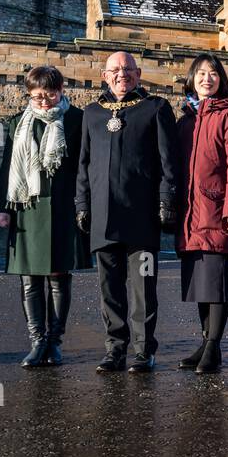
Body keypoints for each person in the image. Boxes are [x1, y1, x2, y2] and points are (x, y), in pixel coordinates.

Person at [75, 52, 177, 374]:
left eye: (128, 69)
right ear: (105, 76)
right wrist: (82, 204)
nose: (122, 74)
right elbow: (83, 165)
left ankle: (143, 351)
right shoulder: (91, 113)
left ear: (139, 73)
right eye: (116, 70)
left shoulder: (156, 108)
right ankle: (114, 349)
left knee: (142, 287)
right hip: (103, 218)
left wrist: (166, 202)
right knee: (110, 290)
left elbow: (168, 164)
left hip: (141, 217)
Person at [0, 65, 87, 368]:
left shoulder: (76, 120)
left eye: (50, 95)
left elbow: (85, 168)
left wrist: (84, 205)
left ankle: (55, 342)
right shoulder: (17, 124)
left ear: (61, 91)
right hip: (26, 206)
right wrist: (2, 208)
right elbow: (8, 166)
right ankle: (37, 342)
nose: (44, 102)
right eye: (37, 97)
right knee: (30, 280)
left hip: (63, 208)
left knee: (59, 278)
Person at [174, 54, 228, 374]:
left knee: (216, 280)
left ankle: (214, 347)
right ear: (192, 79)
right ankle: (205, 343)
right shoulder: (185, 120)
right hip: (190, 214)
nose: (208, 78)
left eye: (214, 73)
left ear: (221, 80)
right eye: (202, 73)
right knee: (200, 282)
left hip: (217, 209)